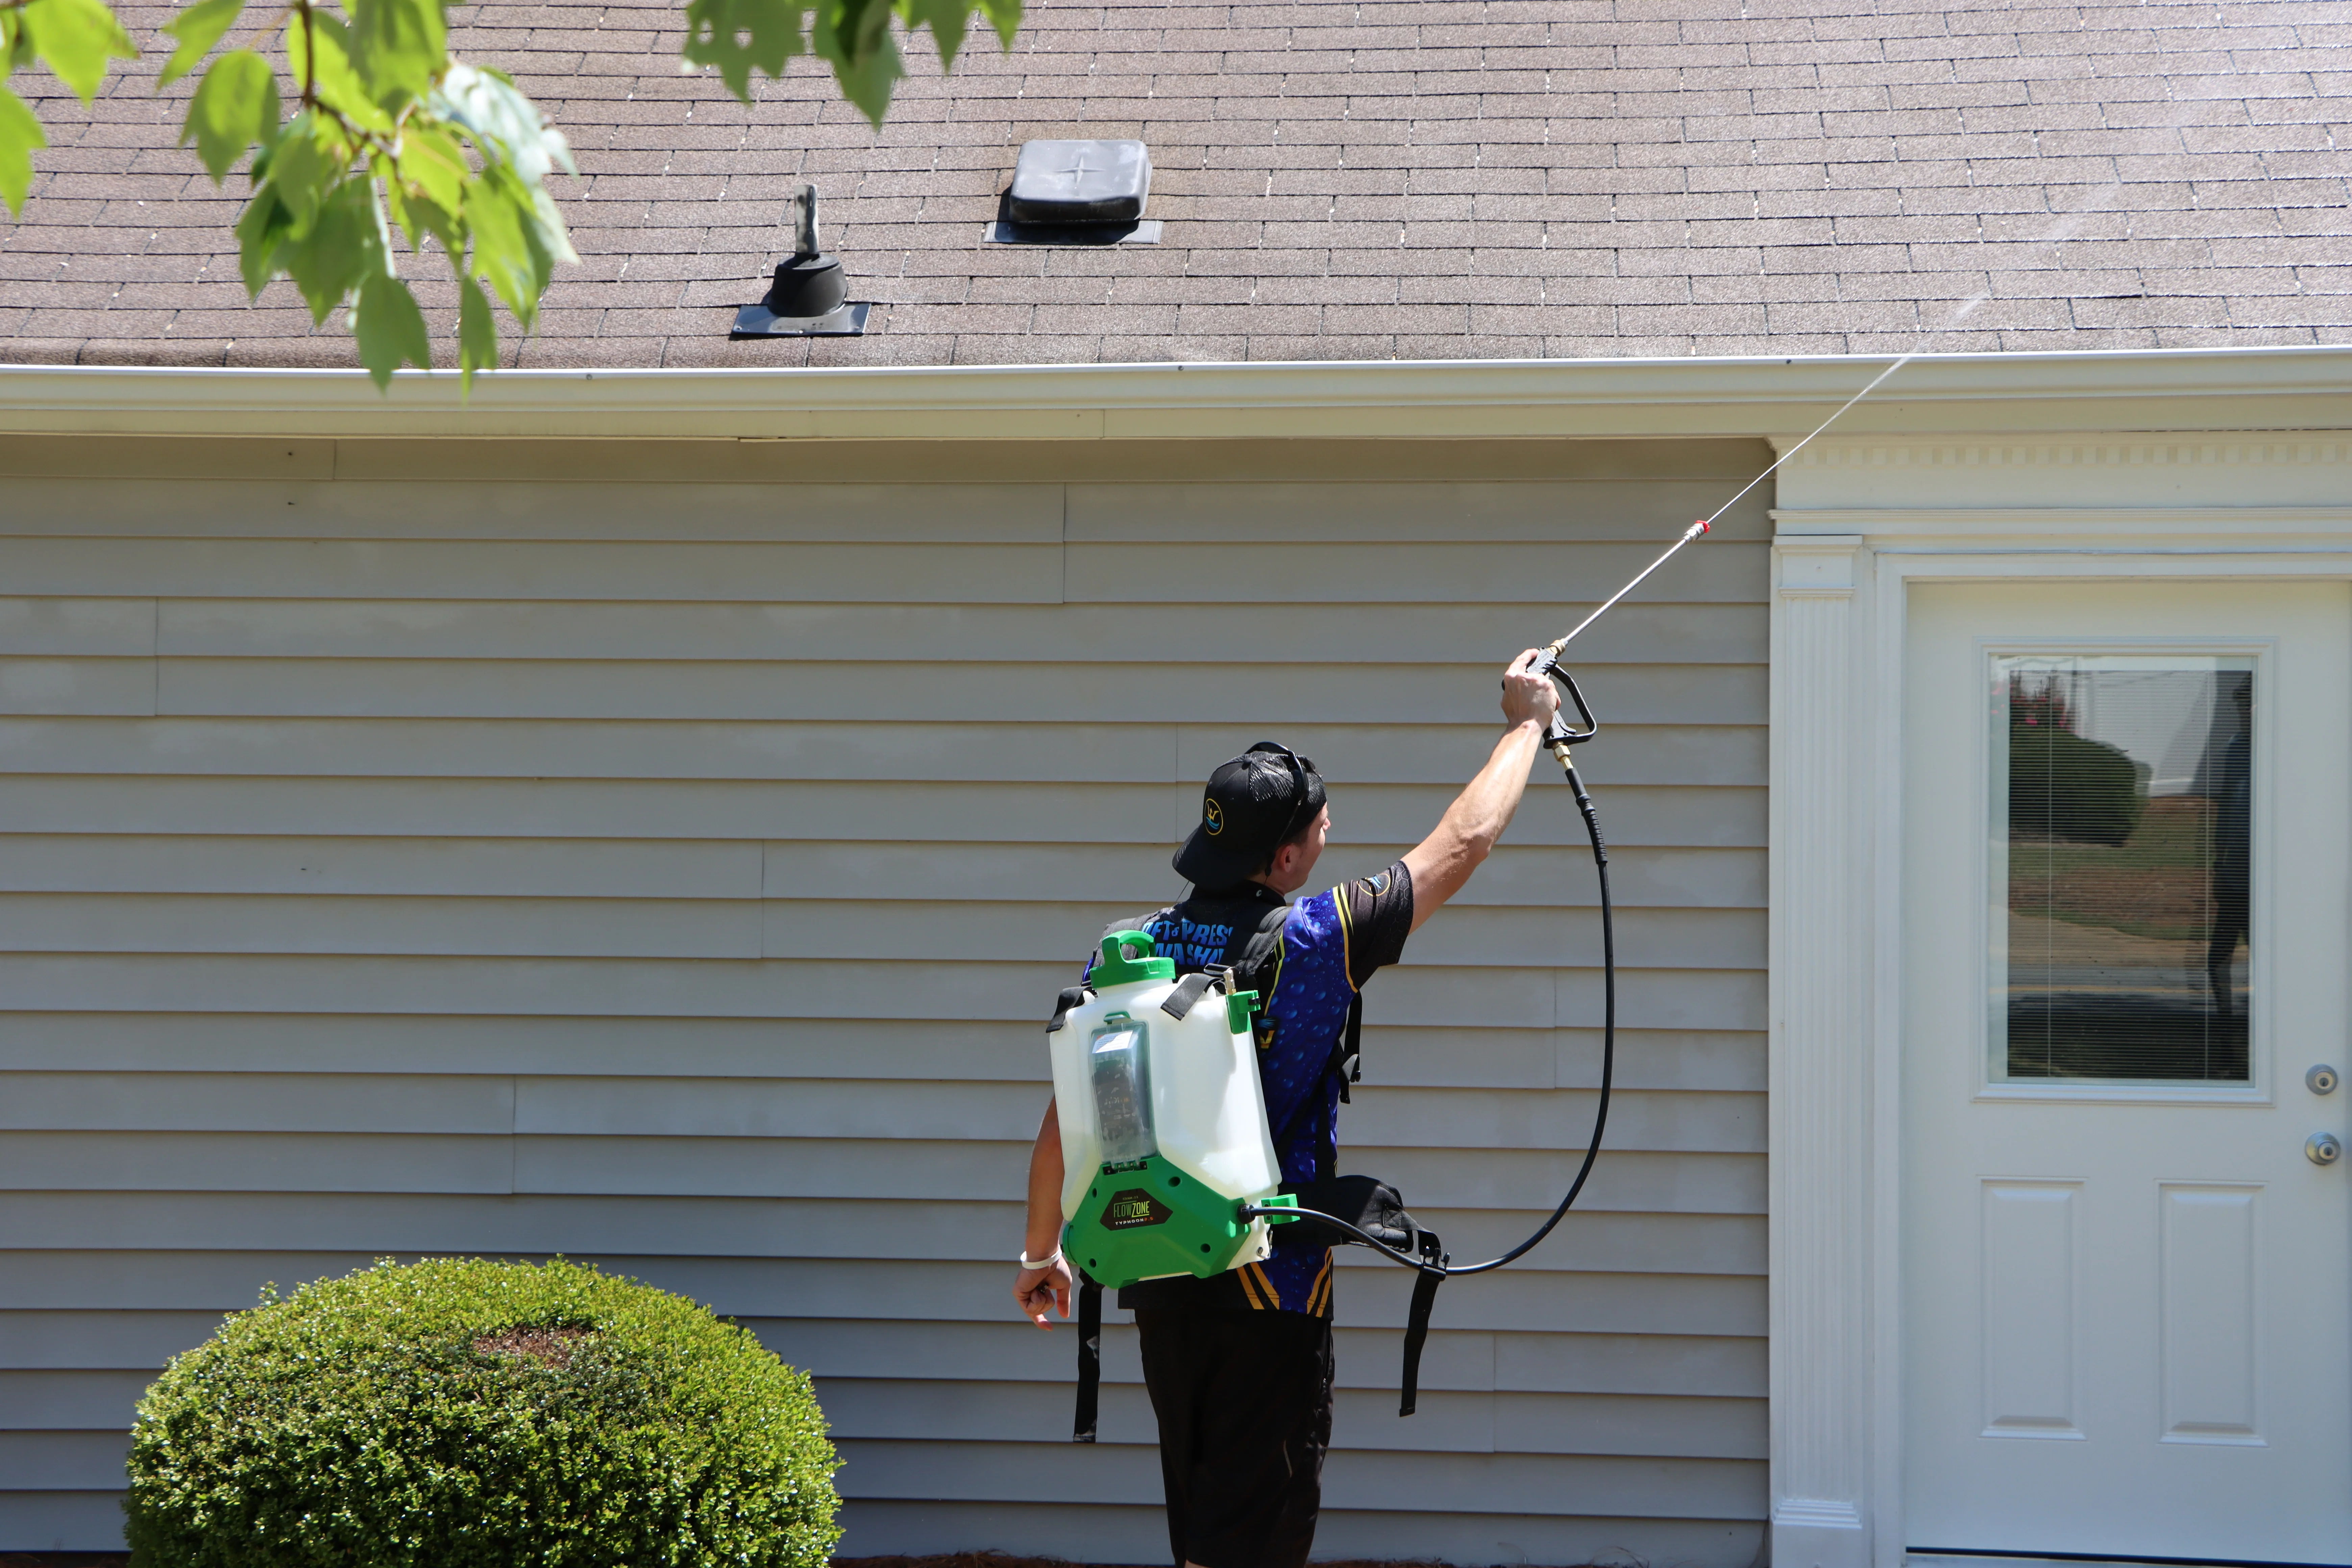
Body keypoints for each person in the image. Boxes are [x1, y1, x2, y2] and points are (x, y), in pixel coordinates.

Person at [1010, 650, 1564, 1568]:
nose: (1327, 832)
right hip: (1271, 1292)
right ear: (1285, 856)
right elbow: (1460, 846)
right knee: (1257, 1542)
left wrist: (1044, 1253)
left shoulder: (1132, 952)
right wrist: (1527, 724)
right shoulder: (1311, 943)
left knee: (1204, 1528)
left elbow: (1067, 1121)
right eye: (1318, 827)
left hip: (1156, 1271)